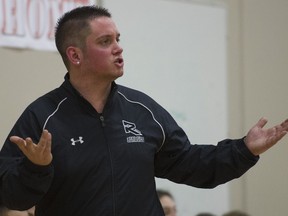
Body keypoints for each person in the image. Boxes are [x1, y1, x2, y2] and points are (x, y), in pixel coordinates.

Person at [0, 5, 288, 216]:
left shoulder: (143, 111)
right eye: (105, 41)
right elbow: (11, 195)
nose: (119, 48)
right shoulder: (42, 117)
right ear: (74, 55)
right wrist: (35, 168)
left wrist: (245, 149)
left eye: (118, 38)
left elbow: (193, 164)